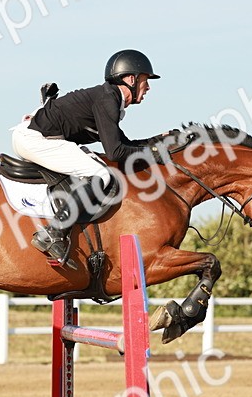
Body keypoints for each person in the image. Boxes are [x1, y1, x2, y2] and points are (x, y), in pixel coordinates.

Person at [10, 49, 159, 267]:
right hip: (35, 139)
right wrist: (154, 153)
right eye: (146, 80)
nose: (148, 88)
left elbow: (125, 144)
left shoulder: (109, 99)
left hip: (36, 137)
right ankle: (54, 232)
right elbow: (115, 152)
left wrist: (156, 143)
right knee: (101, 174)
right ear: (131, 79)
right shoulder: (107, 99)